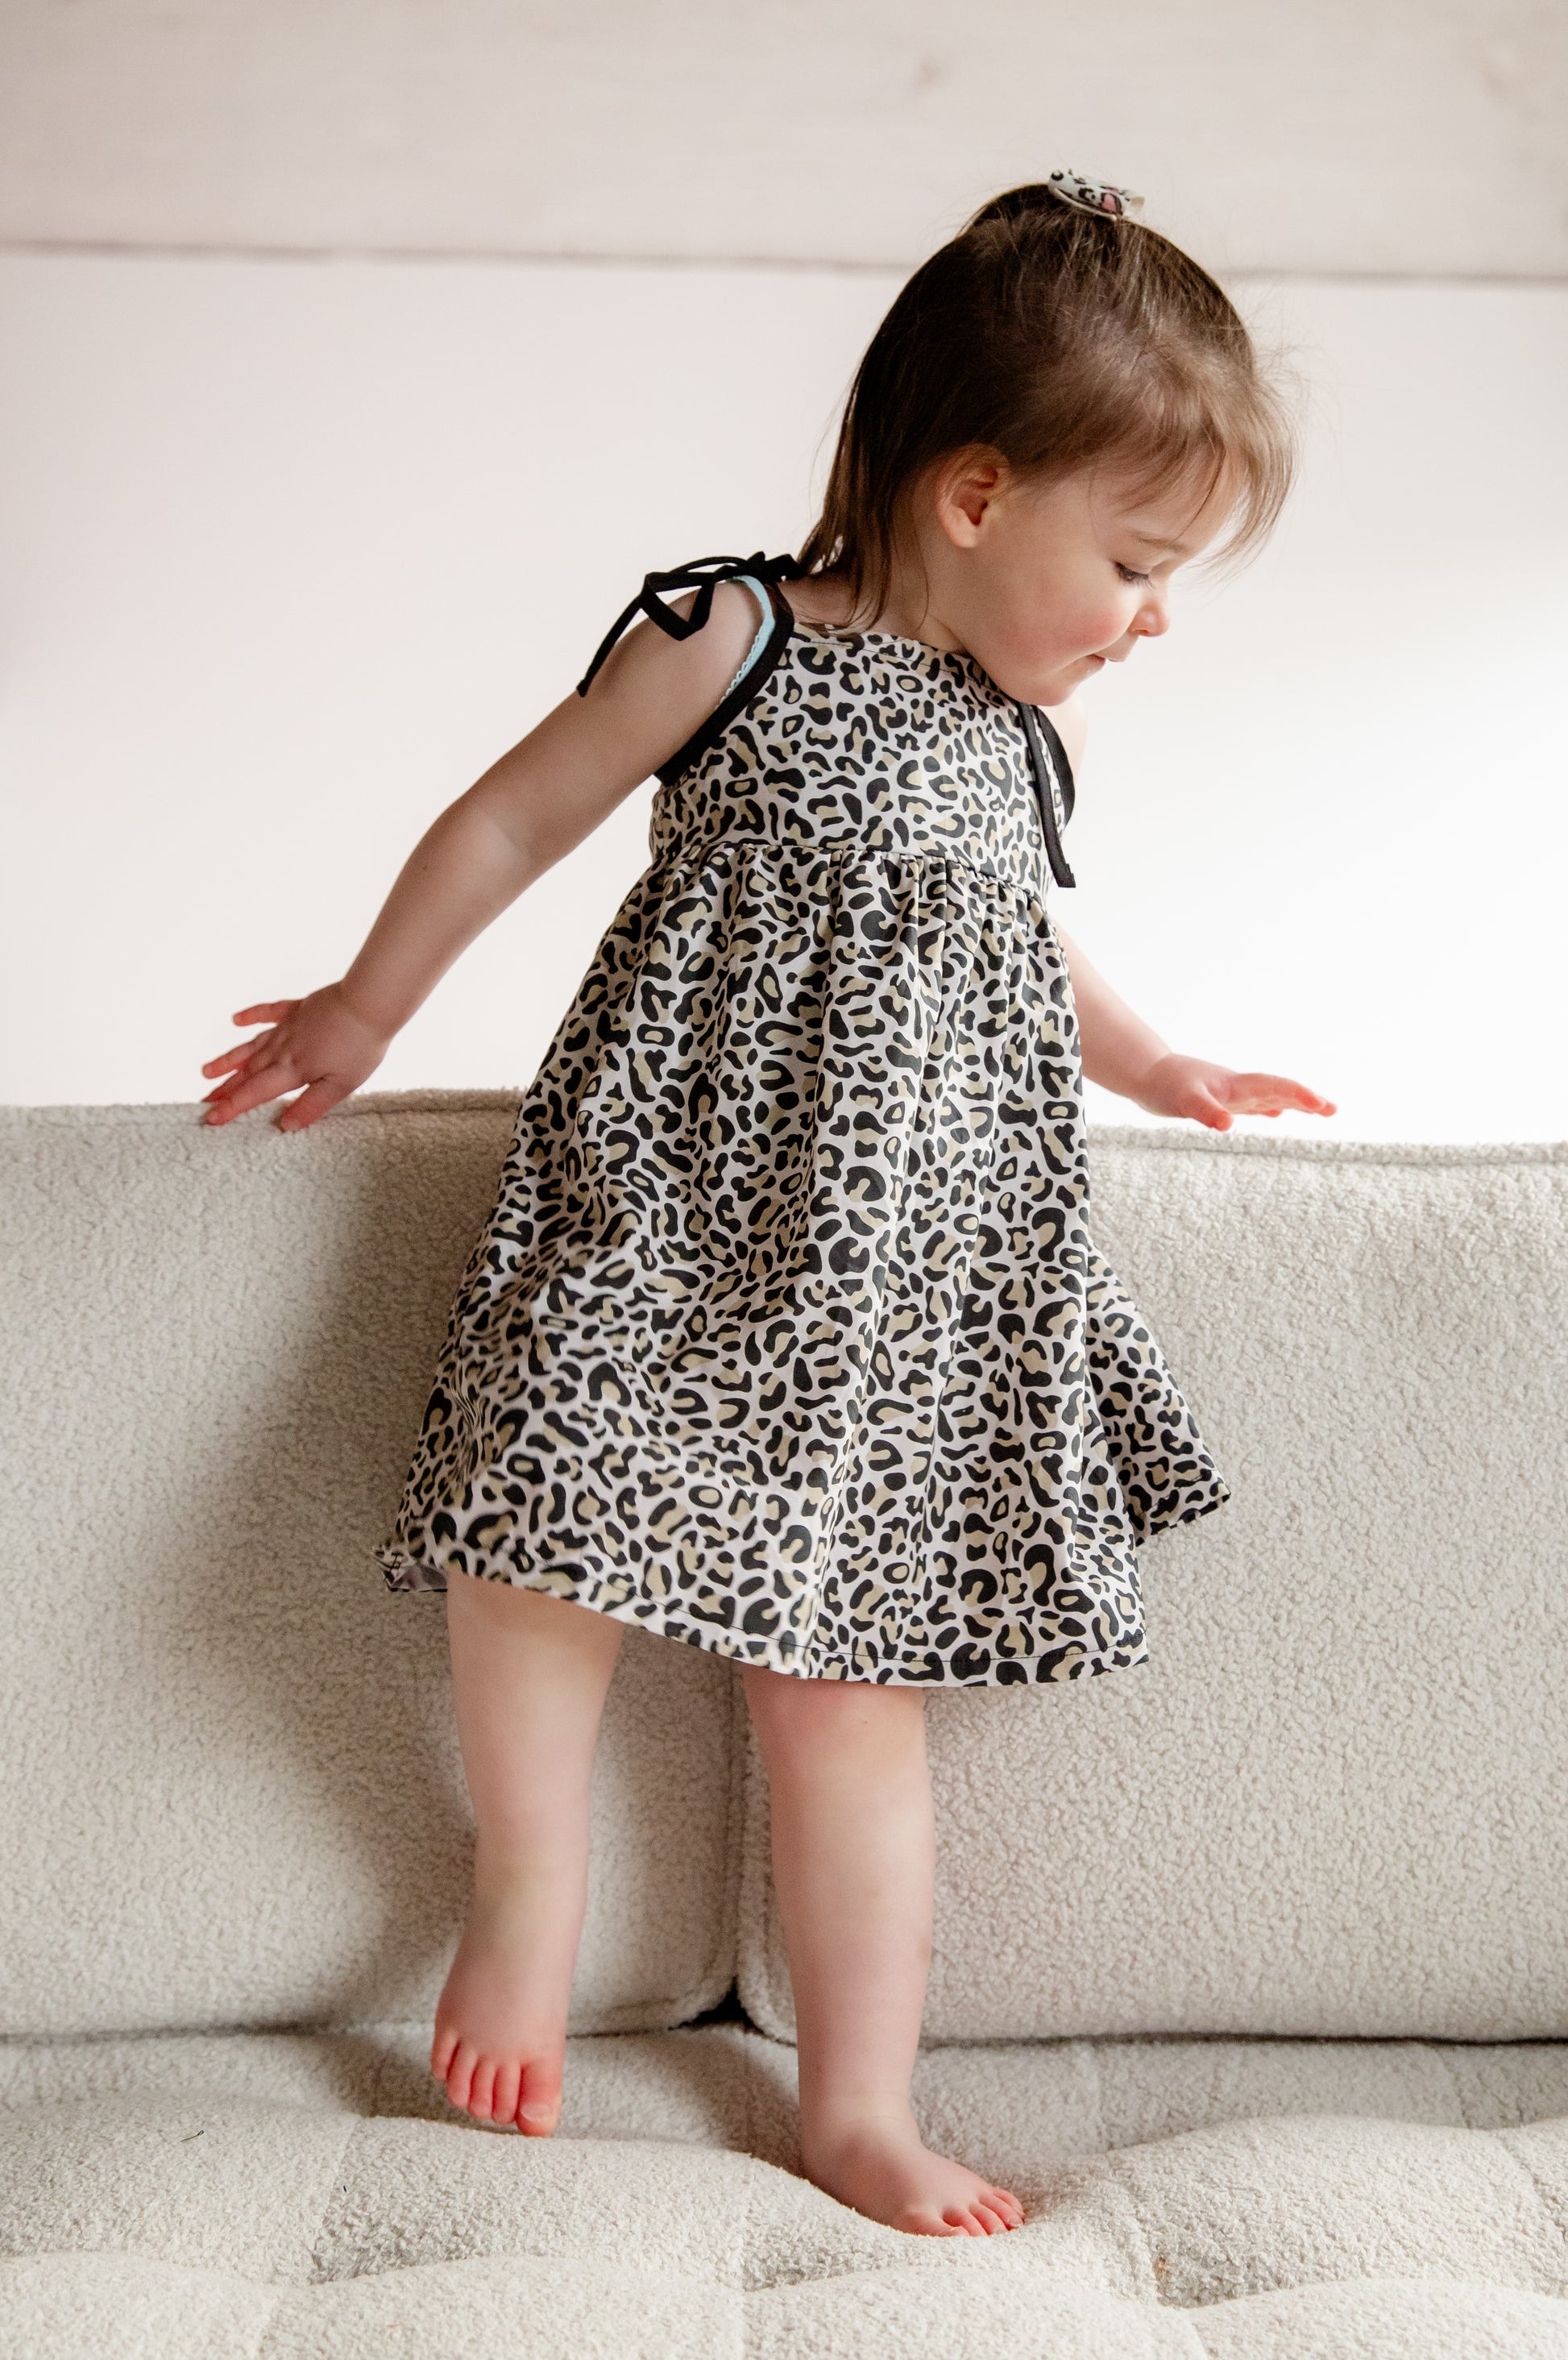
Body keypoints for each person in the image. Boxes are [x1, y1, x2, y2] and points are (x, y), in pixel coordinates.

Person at [198, 173, 1335, 2238]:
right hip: (662, 1207)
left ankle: (859, 2103)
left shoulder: (1006, 743)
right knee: (538, 1524)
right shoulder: (724, 636)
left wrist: (1153, 1059)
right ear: (976, 495)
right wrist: (367, 1005)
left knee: (850, 1691)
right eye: (1138, 561)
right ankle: (524, 1894)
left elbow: (1010, 944)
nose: (1149, 615)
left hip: (890, 1290)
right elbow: (516, 810)